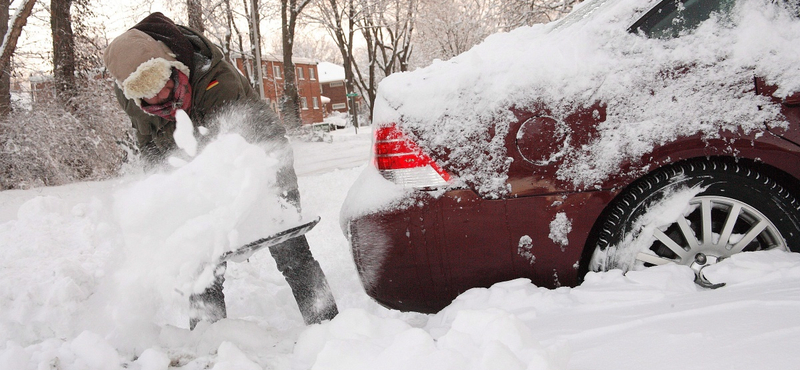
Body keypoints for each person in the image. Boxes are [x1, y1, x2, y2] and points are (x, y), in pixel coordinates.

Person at [103, 12, 338, 328]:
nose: (159, 98)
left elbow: (229, 154)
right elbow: (147, 143)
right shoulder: (131, 98)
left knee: (289, 248)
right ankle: (208, 337)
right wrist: (164, 194)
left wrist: (259, 205)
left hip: (261, 158)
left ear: (173, 66)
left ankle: (327, 325)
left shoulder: (216, 81)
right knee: (200, 260)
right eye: (147, 95)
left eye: (162, 84)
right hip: (194, 176)